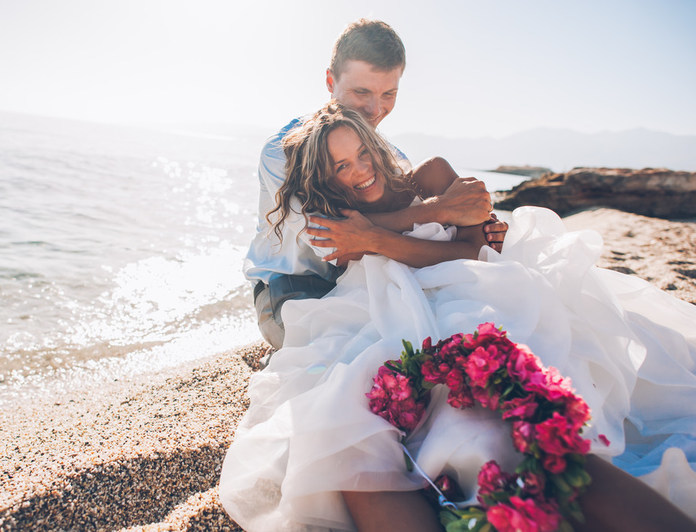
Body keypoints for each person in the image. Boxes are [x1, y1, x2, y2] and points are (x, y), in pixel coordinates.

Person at [219, 102, 696, 531]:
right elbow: (342, 240)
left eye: (363, 152)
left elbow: (471, 249)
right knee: (361, 421)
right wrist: (434, 213)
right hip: (380, 310)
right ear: (325, 180)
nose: (360, 171)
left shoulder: (431, 173)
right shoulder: (333, 216)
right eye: (341, 167)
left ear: (375, 144)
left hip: (470, 292)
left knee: (510, 410)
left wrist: (385, 234)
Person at [245, 19, 508, 350]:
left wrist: (479, 221)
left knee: (428, 335)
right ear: (330, 80)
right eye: (361, 92)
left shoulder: (391, 158)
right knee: (339, 358)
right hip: (292, 287)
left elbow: (396, 231)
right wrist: (440, 209)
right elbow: (330, 237)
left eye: (389, 94)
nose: (375, 109)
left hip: (359, 283)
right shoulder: (282, 152)